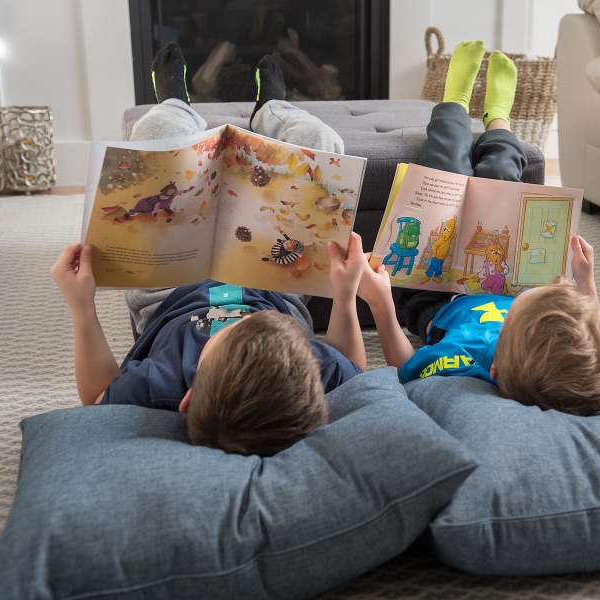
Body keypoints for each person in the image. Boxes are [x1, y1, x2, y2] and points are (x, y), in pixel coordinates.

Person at [50, 44, 368, 457]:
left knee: (155, 130)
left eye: (224, 334)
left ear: (187, 398)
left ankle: (176, 101)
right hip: (274, 283)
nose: (231, 321)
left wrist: (82, 308)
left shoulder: (161, 384)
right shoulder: (306, 372)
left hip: (170, 289)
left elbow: (95, 400)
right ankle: (272, 107)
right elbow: (356, 374)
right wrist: (344, 299)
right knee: (321, 142)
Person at [357, 41, 600, 416]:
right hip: (505, 279)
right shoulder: (579, 366)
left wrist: (382, 306)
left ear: (494, 369)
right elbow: (597, 347)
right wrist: (585, 282)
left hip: (435, 293)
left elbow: (405, 368)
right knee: (501, 181)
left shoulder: (463, 356)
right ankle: (498, 117)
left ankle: (455, 102)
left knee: (446, 170)